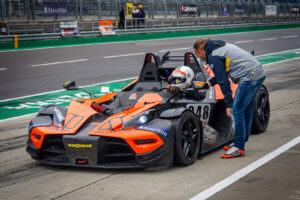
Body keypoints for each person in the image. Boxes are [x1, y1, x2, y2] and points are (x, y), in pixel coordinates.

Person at [193, 38, 266, 158]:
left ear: (201, 50)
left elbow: (223, 82)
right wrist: (209, 83)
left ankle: (239, 147)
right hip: (258, 74)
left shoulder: (213, 55)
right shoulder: (220, 48)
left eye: (198, 54)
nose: (200, 58)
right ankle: (241, 140)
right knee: (246, 110)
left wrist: (229, 104)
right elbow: (222, 73)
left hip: (249, 78)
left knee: (237, 111)